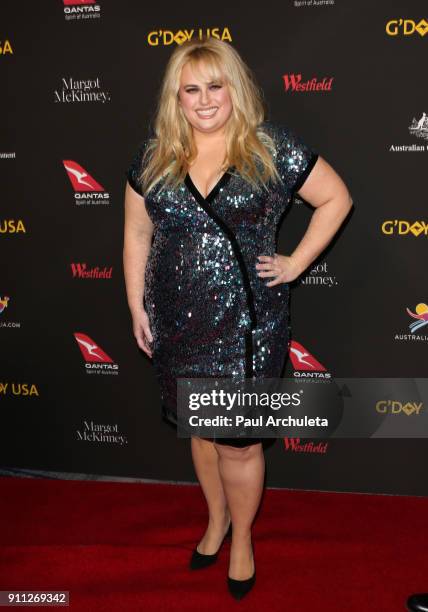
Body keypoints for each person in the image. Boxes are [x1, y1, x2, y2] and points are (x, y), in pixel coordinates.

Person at [123, 36, 353, 600]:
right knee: (200, 429)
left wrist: (296, 263)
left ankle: (243, 537)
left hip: (246, 328)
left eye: (215, 87)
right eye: (191, 89)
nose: (204, 101)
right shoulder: (156, 155)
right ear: (175, 97)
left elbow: (336, 198)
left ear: (235, 89)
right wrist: (136, 305)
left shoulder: (269, 148)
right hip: (177, 322)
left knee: (240, 444)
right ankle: (216, 520)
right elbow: (135, 234)